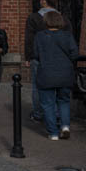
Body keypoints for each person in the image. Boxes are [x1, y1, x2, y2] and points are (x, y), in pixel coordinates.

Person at [33, 11, 79, 141]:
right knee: (64, 101)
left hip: (46, 74)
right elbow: (75, 54)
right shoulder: (67, 35)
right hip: (65, 74)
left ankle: (53, 133)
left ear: (46, 21)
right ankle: (65, 126)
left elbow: (35, 54)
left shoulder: (40, 36)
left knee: (48, 104)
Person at [24, 0, 59, 123]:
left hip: (38, 56)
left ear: (44, 1)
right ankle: (55, 113)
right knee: (55, 85)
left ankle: (38, 113)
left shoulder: (34, 18)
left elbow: (29, 39)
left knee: (37, 86)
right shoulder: (62, 18)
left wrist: (28, 57)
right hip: (57, 57)